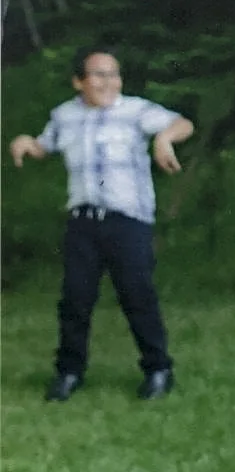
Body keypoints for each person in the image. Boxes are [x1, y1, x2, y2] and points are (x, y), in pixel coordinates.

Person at [12, 48, 193, 402]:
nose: (108, 82)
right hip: (83, 222)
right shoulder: (64, 116)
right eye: (98, 75)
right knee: (75, 300)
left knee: (137, 295)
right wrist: (27, 143)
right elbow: (44, 145)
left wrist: (164, 138)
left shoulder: (135, 111)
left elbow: (183, 124)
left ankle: (158, 370)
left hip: (128, 221)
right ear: (78, 81)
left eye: (114, 74)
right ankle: (69, 373)